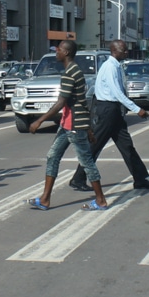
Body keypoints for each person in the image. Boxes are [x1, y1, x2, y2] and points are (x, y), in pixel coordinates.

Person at [26, 40, 109, 211]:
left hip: (74, 126)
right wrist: (89, 128)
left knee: (87, 162)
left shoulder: (71, 73)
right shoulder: (73, 71)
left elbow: (61, 102)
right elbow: (81, 102)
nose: (56, 52)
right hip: (67, 124)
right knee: (52, 156)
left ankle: (100, 200)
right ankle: (45, 199)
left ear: (66, 53)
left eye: (59, 50)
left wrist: (39, 121)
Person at [68, 39, 149, 192]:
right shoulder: (110, 67)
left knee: (127, 146)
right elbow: (116, 92)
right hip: (107, 110)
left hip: (114, 110)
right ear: (115, 51)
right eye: (124, 50)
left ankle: (140, 179)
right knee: (95, 146)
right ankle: (78, 178)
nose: (126, 52)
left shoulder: (116, 65)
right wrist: (136, 109)